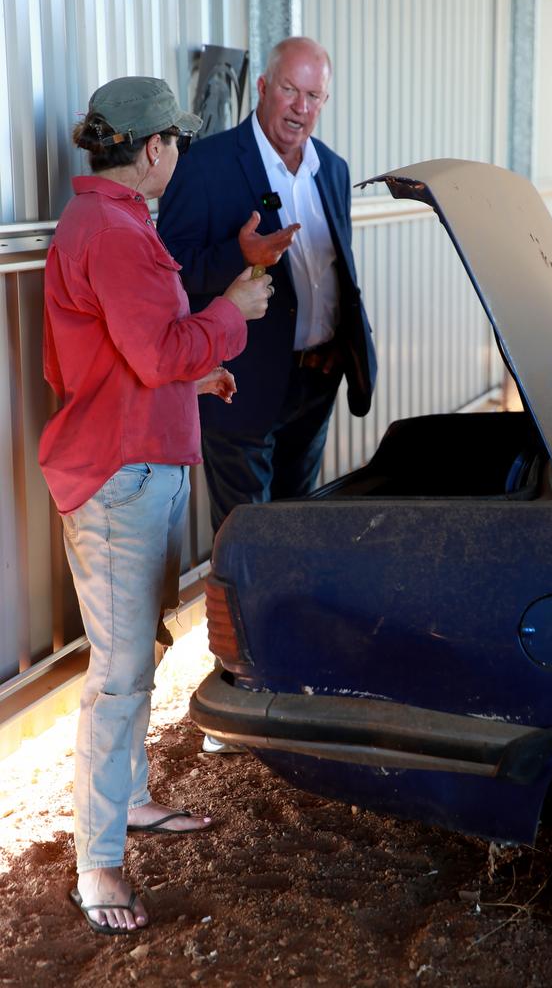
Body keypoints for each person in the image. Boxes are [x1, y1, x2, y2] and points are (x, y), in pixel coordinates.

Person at [38, 76, 273, 934]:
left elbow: (120, 358)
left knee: (136, 652)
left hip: (138, 460)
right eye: (176, 140)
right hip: (119, 478)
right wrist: (231, 312)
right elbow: (154, 346)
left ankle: (129, 802)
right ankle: (98, 865)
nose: (178, 151)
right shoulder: (114, 231)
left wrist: (192, 378)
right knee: (120, 672)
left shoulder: (111, 221)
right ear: (153, 150)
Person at [158, 36, 377, 540]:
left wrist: (341, 345)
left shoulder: (334, 170)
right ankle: (239, 622)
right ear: (262, 86)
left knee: (297, 529)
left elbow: (334, 272)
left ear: (325, 100)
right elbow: (170, 274)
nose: (301, 108)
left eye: (314, 97)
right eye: (289, 90)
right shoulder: (204, 167)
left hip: (316, 380)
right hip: (240, 386)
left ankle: (286, 619)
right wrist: (242, 255)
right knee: (249, 541)